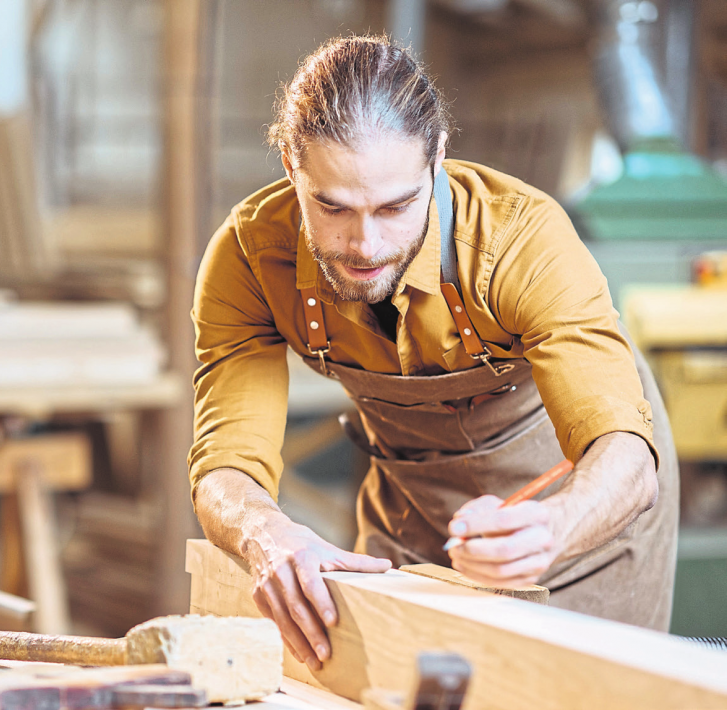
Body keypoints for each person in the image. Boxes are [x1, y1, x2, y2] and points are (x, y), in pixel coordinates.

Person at [188, 35, 678, 671]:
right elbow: (225, 464)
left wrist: (552, 528)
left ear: (437, 159)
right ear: (290, 163)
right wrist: (267, 535)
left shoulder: (524, 242)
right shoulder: (249, 258)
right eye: (332, 207)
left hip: (584, 521)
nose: (365, 245)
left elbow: (627, 459)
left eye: (395, 206)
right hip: (411, 513)